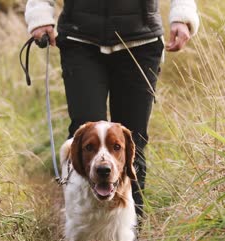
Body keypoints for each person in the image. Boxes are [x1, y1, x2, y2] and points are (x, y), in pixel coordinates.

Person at [24, 0, 199, 218]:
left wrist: (182, 16)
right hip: (81, 41)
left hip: (140, 42)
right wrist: (39, 14)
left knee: (131, 141)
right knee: (84, 136)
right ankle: (86, 230)